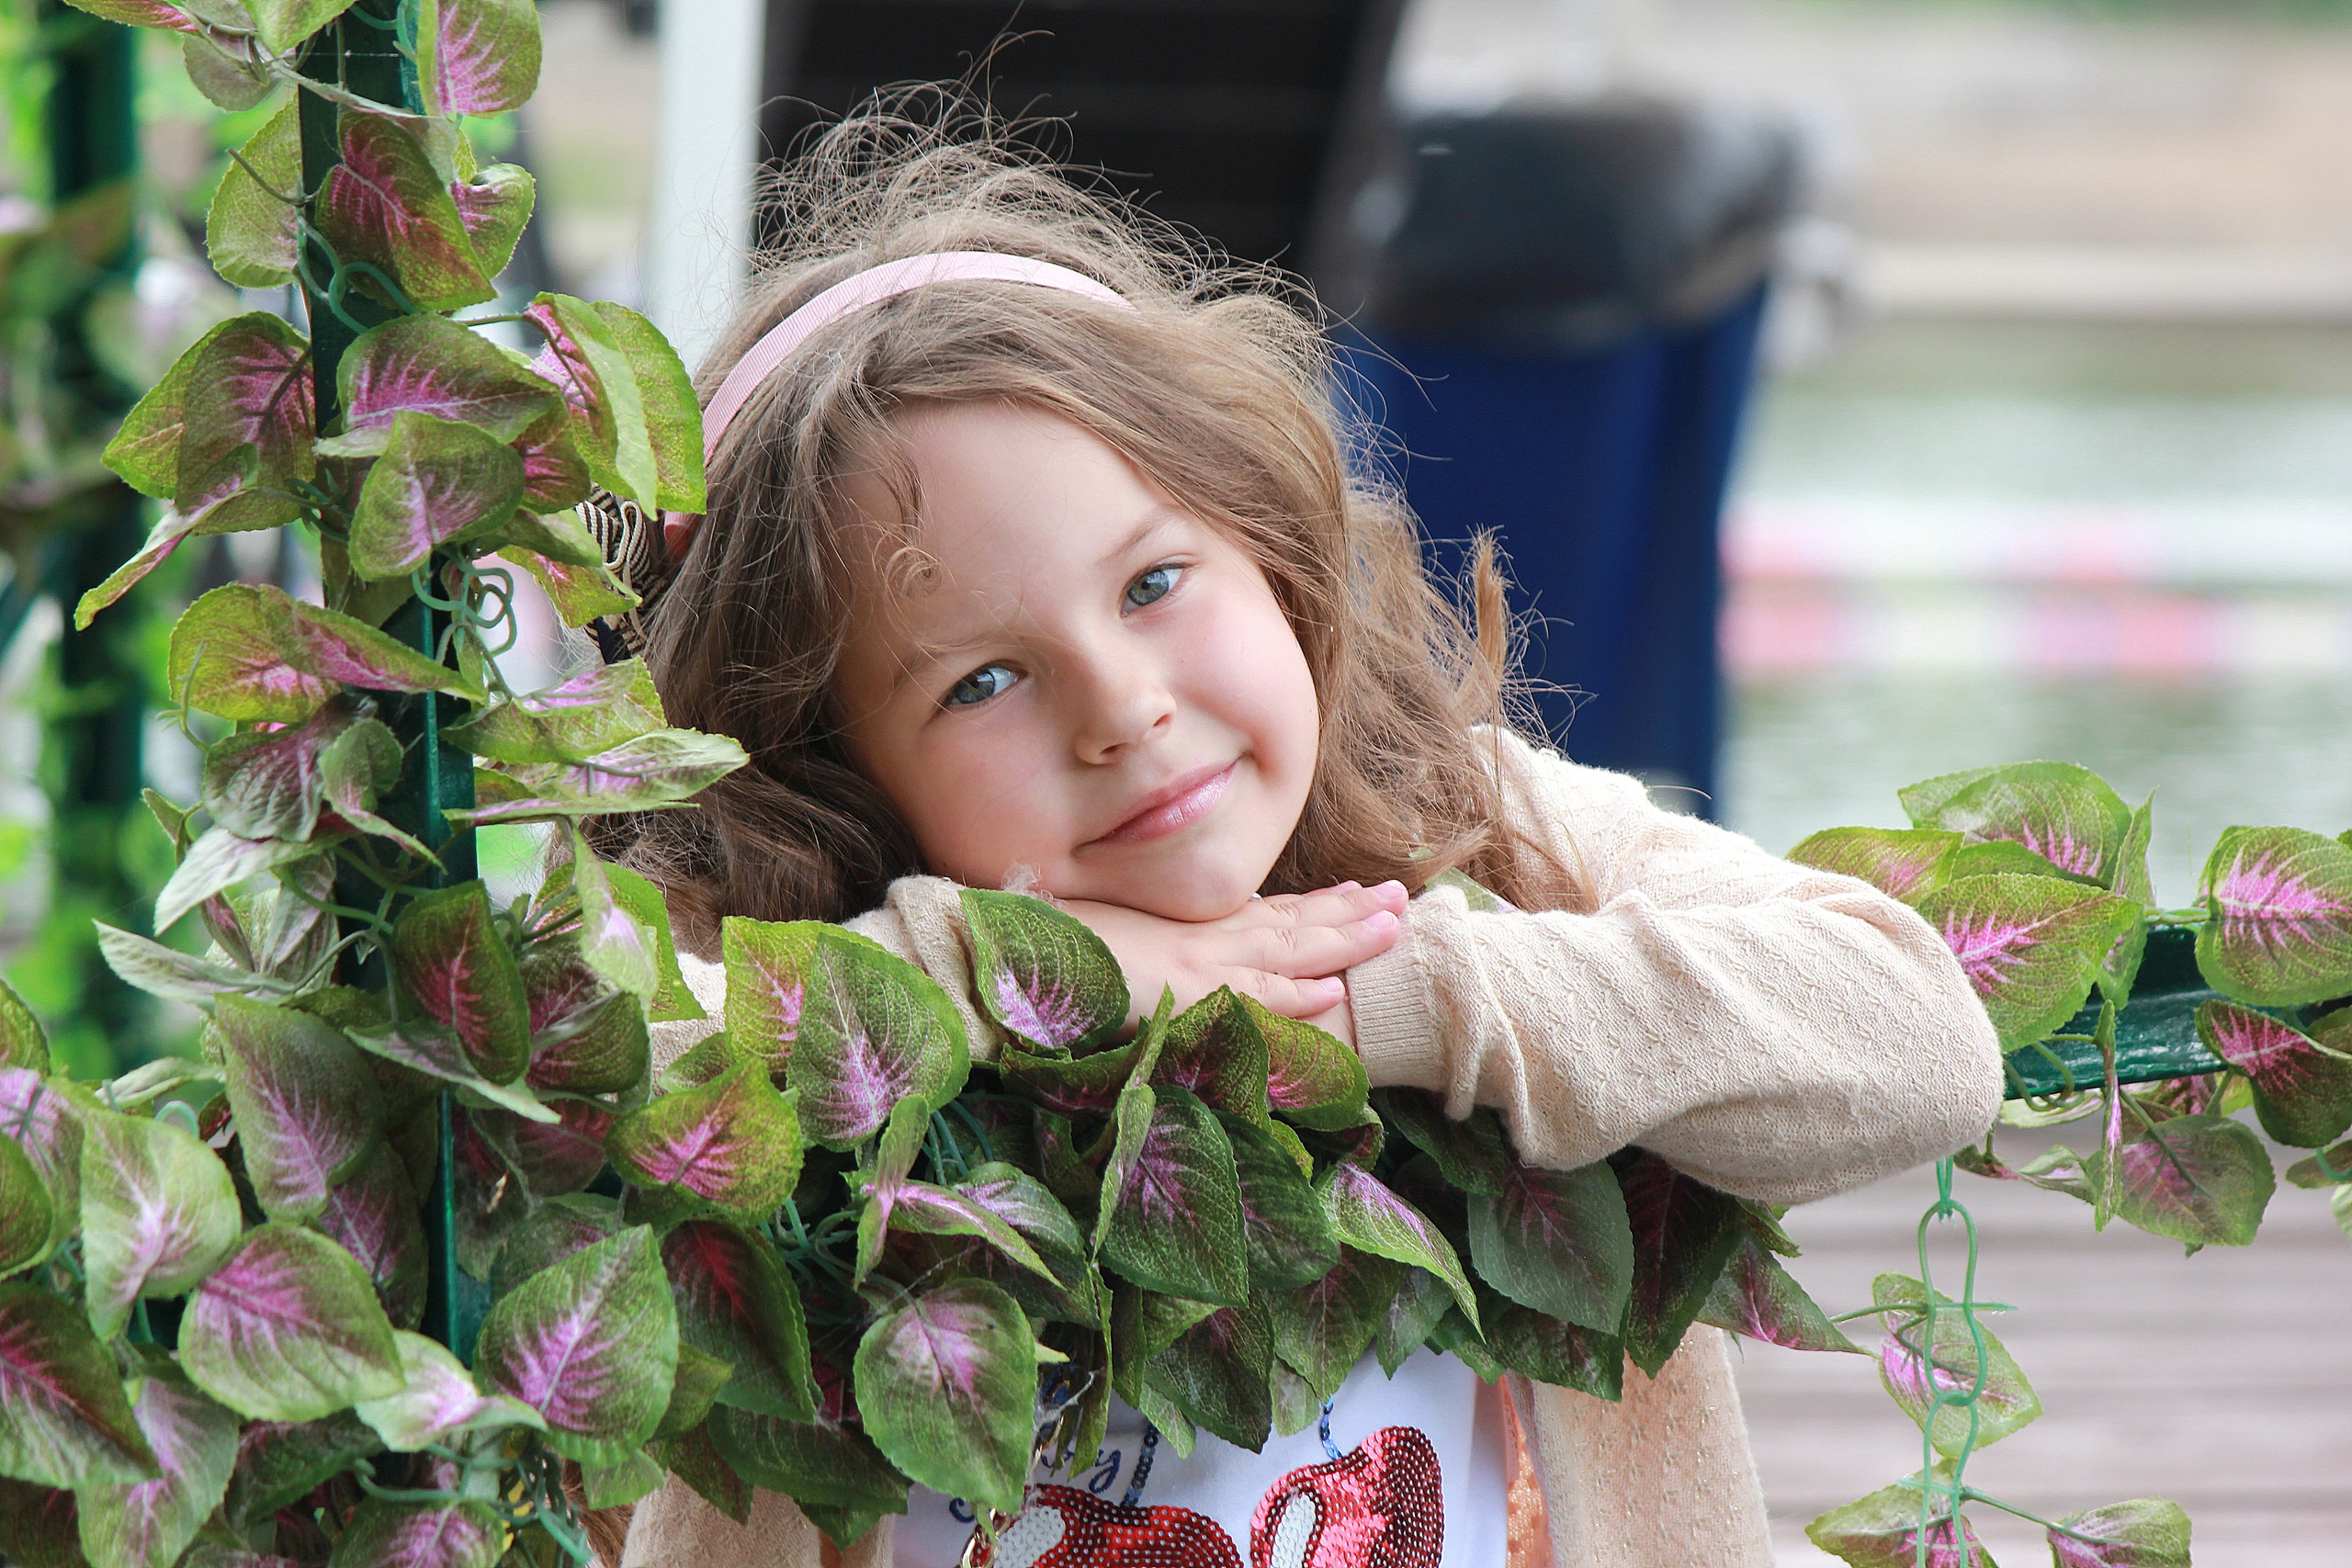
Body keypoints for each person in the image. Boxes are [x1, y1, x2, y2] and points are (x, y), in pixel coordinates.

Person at [600, 100, 2003, 1568]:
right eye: (983, 681)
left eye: (1153, 584)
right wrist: (1030, 973)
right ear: (831, 768)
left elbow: (1920, 1040)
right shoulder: (761, 966)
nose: (1126, 710)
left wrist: (1371, 996)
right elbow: (603, 1103)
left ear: (1268, 546)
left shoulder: (1475, 828)